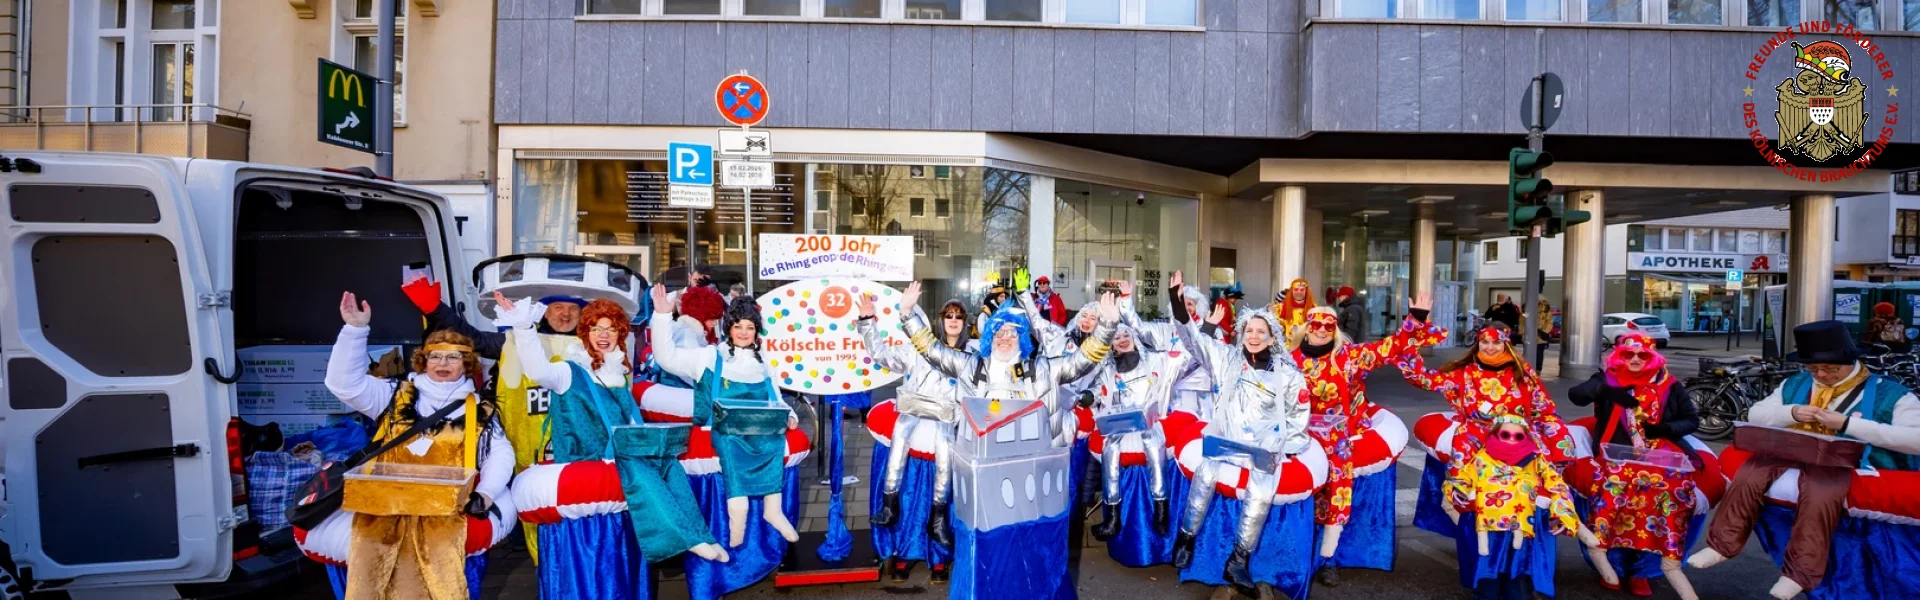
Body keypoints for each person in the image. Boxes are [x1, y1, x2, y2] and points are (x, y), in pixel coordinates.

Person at [1687, 320, 1920, 600]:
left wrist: (1848, 424)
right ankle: (1722, 545)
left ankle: (1799, 573)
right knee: (1752, 471)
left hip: (1848, 464)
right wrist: (1793, 412)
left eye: (1830, 369)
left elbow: (1915, 441)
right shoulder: (1795, 383)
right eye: (1813, 369)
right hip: (1794, 453)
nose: (1821, 375)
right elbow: (1755, 415)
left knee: (1822, 488)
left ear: (1850, 361)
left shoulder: (1893, 395)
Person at [495, 293, 728, 564]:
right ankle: (686, 539)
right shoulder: (569, 371)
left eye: (611, 329)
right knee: (637, 468)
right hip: (586, 455)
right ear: (586, 333)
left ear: (620, 334)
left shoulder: (617, 372)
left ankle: (700, 535)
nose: (603, 335)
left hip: (621, 451)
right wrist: (523, 327)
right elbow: (537, 371)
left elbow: (629, 423)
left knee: (668, 464)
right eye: (596, 328)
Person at [325, 292, 515, 600]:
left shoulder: (480, 409)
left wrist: (486, 492)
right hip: (387, 507)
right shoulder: (393, 395)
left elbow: (501, 454)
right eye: (435, 356)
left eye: (453, 356)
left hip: (445, 511)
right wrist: (354, 331)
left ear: (466, 364)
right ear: (423, 361)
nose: (443, 363)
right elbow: (343, 385)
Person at [1165, 273, 1312, 592]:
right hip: (1224, 442)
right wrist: (1178, 304)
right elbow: (1193, 339)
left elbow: (1299, 417)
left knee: (1261, 490)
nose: (1254, 336)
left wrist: (1281, 447)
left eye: (1262, 331)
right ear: (1241, 333)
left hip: (1261, 450)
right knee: (1205, 475)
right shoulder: (1225, 358)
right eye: (1249, 330)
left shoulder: (1288, 376)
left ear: (1273, 338)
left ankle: (1238, 560)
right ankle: (1186, 537)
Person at [1286, 300, 1443, 585]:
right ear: (1307, 328)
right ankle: (1294, 553)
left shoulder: (1350, 356)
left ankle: (1328, 558)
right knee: (1300, 492)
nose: (1321, 330)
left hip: (1338, 438)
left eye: (1328, 325)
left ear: (1335, 330)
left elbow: (1391, 347)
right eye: (1316, 325)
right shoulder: (1288, 360)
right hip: (1300, 437)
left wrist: (1416, 317)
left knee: (1337, 493)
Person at [649, 287, 803, 548]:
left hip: (760, 429)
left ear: (757, 331)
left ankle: (773, 510)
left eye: (750, 327)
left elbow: (774, 395)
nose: (744, 332)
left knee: (775, 442)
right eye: (738, 326)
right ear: (729, 328)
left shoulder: (763, 361)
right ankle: (737, 519)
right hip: (725, 430)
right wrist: (662, 317)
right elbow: (667, 358)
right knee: (731, 450)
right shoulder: (711, 356)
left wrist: (788, 415)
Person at [1568, 333, 1700, 599]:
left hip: (1659, 454)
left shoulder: (1670, 385)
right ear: (1620, 356)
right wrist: (1605, 388)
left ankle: (1642, 570)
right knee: (1613, 495)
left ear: (1654, 357)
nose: (1636, 359)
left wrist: (1664, 429)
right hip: (1615, 456)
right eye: (1629, 355)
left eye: (1643, 355)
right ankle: (1612, 565)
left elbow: (1690, 420)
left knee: (1668, 495)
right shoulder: (1607, 378)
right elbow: (1576, 395)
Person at [859, 294, 968, 578]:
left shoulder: (971, 356)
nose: (953, 321)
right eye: (949, 315)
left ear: (964, 322)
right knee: (908, 497)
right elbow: (881, 354)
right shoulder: (915, 350)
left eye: (958, 316)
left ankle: (940, 559)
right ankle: (905, 552)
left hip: (946, 437)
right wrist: (867, 321)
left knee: (943, 500)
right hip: (913, 436)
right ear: (940, 320)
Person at [1084, 322, 1200, 542]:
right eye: (1116, 338)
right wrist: (1088, 396)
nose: (1122, 339)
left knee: (1152, 442)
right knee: (1111, 447)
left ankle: (1161, 509)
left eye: (1126, 334)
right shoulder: (1107, 369)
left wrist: (1209, 328)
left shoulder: (1155, 360)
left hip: (1149, 422)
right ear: (1111, 346)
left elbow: (1187, 357)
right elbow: (1097, 390)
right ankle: (1112, 516)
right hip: (1119, 423)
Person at [1445, 414, 1582, 600]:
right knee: (1487, 579)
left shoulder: (1536, 460)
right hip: (1490, 531)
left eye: (1518, 436)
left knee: (1517, 582)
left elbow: (1558, 486)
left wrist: (1562, 515)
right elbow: (1462, 478)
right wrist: (1457, 491)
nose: (1511, 439)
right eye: (1505, 434)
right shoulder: (1481, 459)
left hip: (1522, 530)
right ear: (1495, 434)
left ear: (1526, 437)